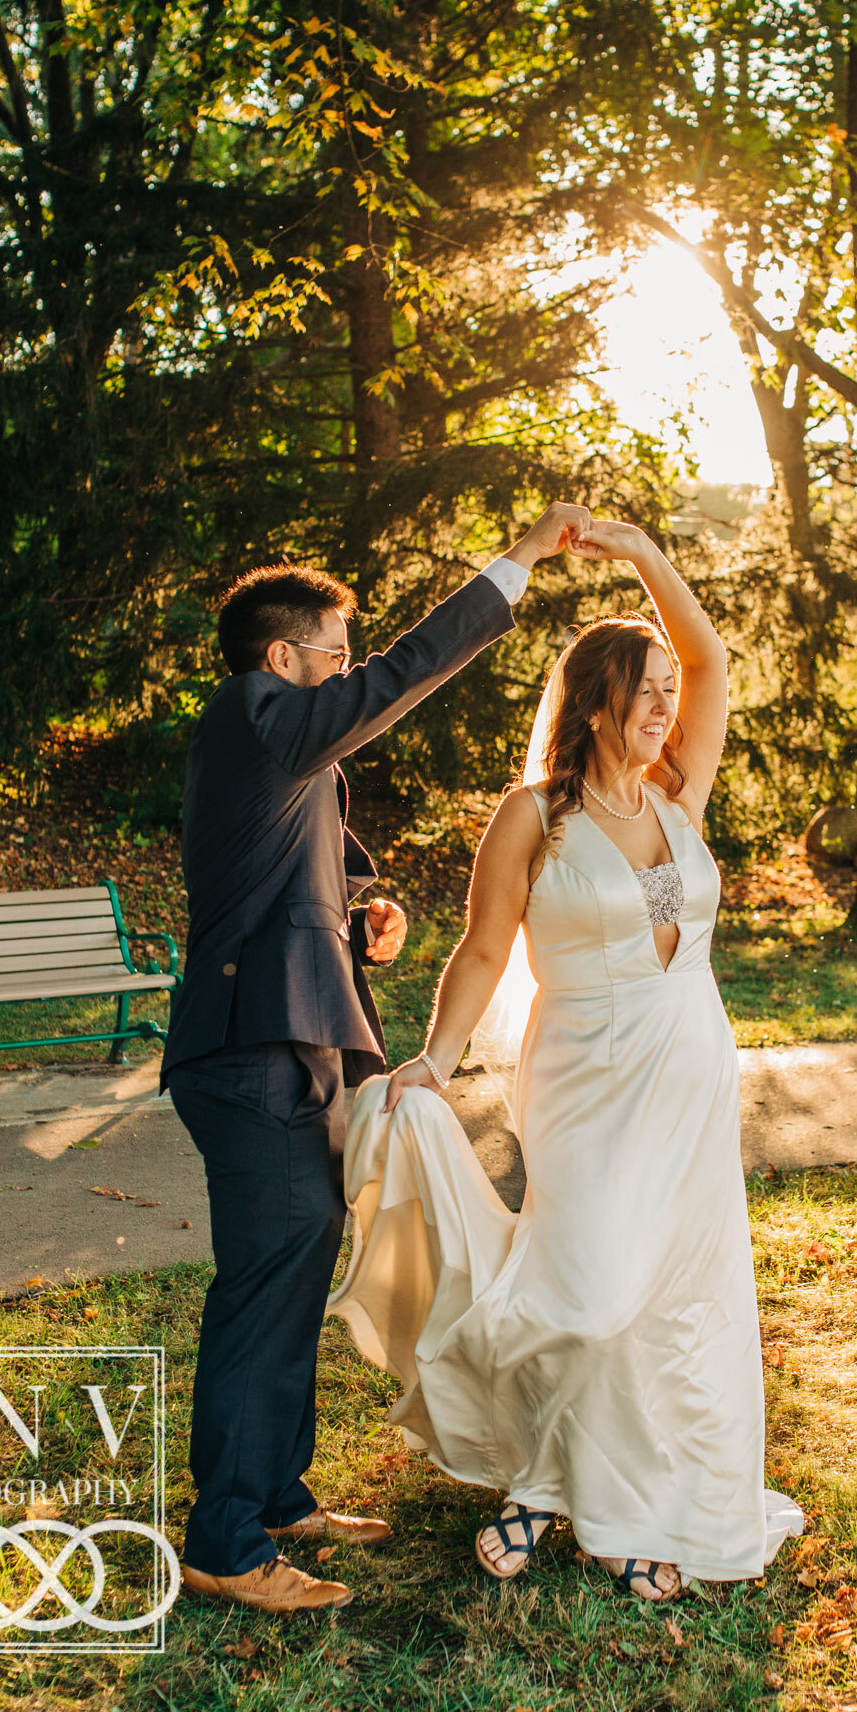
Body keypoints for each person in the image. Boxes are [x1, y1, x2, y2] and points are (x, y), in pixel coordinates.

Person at [329, 520, 804, 1600]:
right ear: (592, 702)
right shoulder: (533, 817)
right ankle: (545, 1476)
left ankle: (609, 1503)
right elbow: (487, 946)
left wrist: (638, 547)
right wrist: (438, 1060)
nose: (662, 706)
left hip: (689, 1075)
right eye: (639, 690)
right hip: (587, 1078)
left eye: (661, 691)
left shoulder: (679, 797)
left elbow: (712, 659)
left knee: (669, 1299)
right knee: (587, 1288)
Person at [163, 502, 594, 1616]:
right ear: (281, 658)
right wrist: (515, 568)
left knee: (295, 1267)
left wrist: (367, 908)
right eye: (335, 655)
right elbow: (402, 675)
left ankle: (273, 1495)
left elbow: (297, 867)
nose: (349, 671)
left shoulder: (280, 747)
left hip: (292, 1039)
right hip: (244, 1049)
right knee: (264, 1283)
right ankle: (222, 1538)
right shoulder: (256, 711)